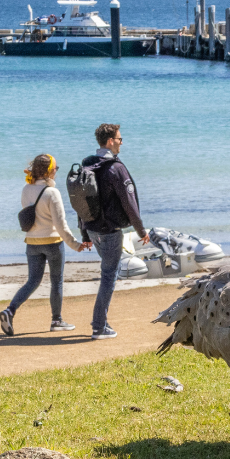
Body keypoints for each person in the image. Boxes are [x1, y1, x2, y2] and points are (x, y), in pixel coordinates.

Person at [0, 154, 87, 336]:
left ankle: (10, 310)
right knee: (56, 281)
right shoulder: (52, 193)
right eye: (55, 168)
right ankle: (57, 320)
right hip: (53, 243)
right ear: (48, 171)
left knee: (32, 281)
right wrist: (75, 244)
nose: (56, 172)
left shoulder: (26, 189)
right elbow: (61, 225)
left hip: (32, 243)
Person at [79, 123, 148, 340]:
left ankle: (102, 322)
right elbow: (129, 204)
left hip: (92, 230)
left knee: (108, 272)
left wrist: (83, 233)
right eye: (119, 139)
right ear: (110, 141)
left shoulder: (87, 166)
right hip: (109, 231)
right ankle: (99, 326)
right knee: (109, 275)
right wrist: (141, 231)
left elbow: (81, 202)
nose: (121, 142)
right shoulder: (116, 168)